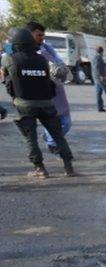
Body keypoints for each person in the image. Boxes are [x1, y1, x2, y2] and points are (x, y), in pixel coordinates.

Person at [3, 27, 75, 178]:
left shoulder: (10, 59)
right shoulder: (41, 59)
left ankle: (40, 169)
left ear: (15, 44)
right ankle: (69, 167)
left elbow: (6, 77)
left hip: (25, 104)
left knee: (31, 139)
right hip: (47, 104)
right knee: (58, 136)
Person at [25, 22, 71, 154]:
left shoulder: (47, 48)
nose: (42, 38)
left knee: (66, 123)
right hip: (42, 94)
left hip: (58, 89)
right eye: (39, 35)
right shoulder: (25, 53)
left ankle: (49, 138)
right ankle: (52, 145)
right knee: (50, 121)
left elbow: (59, 63)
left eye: (43, 35)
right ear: (29, 35)